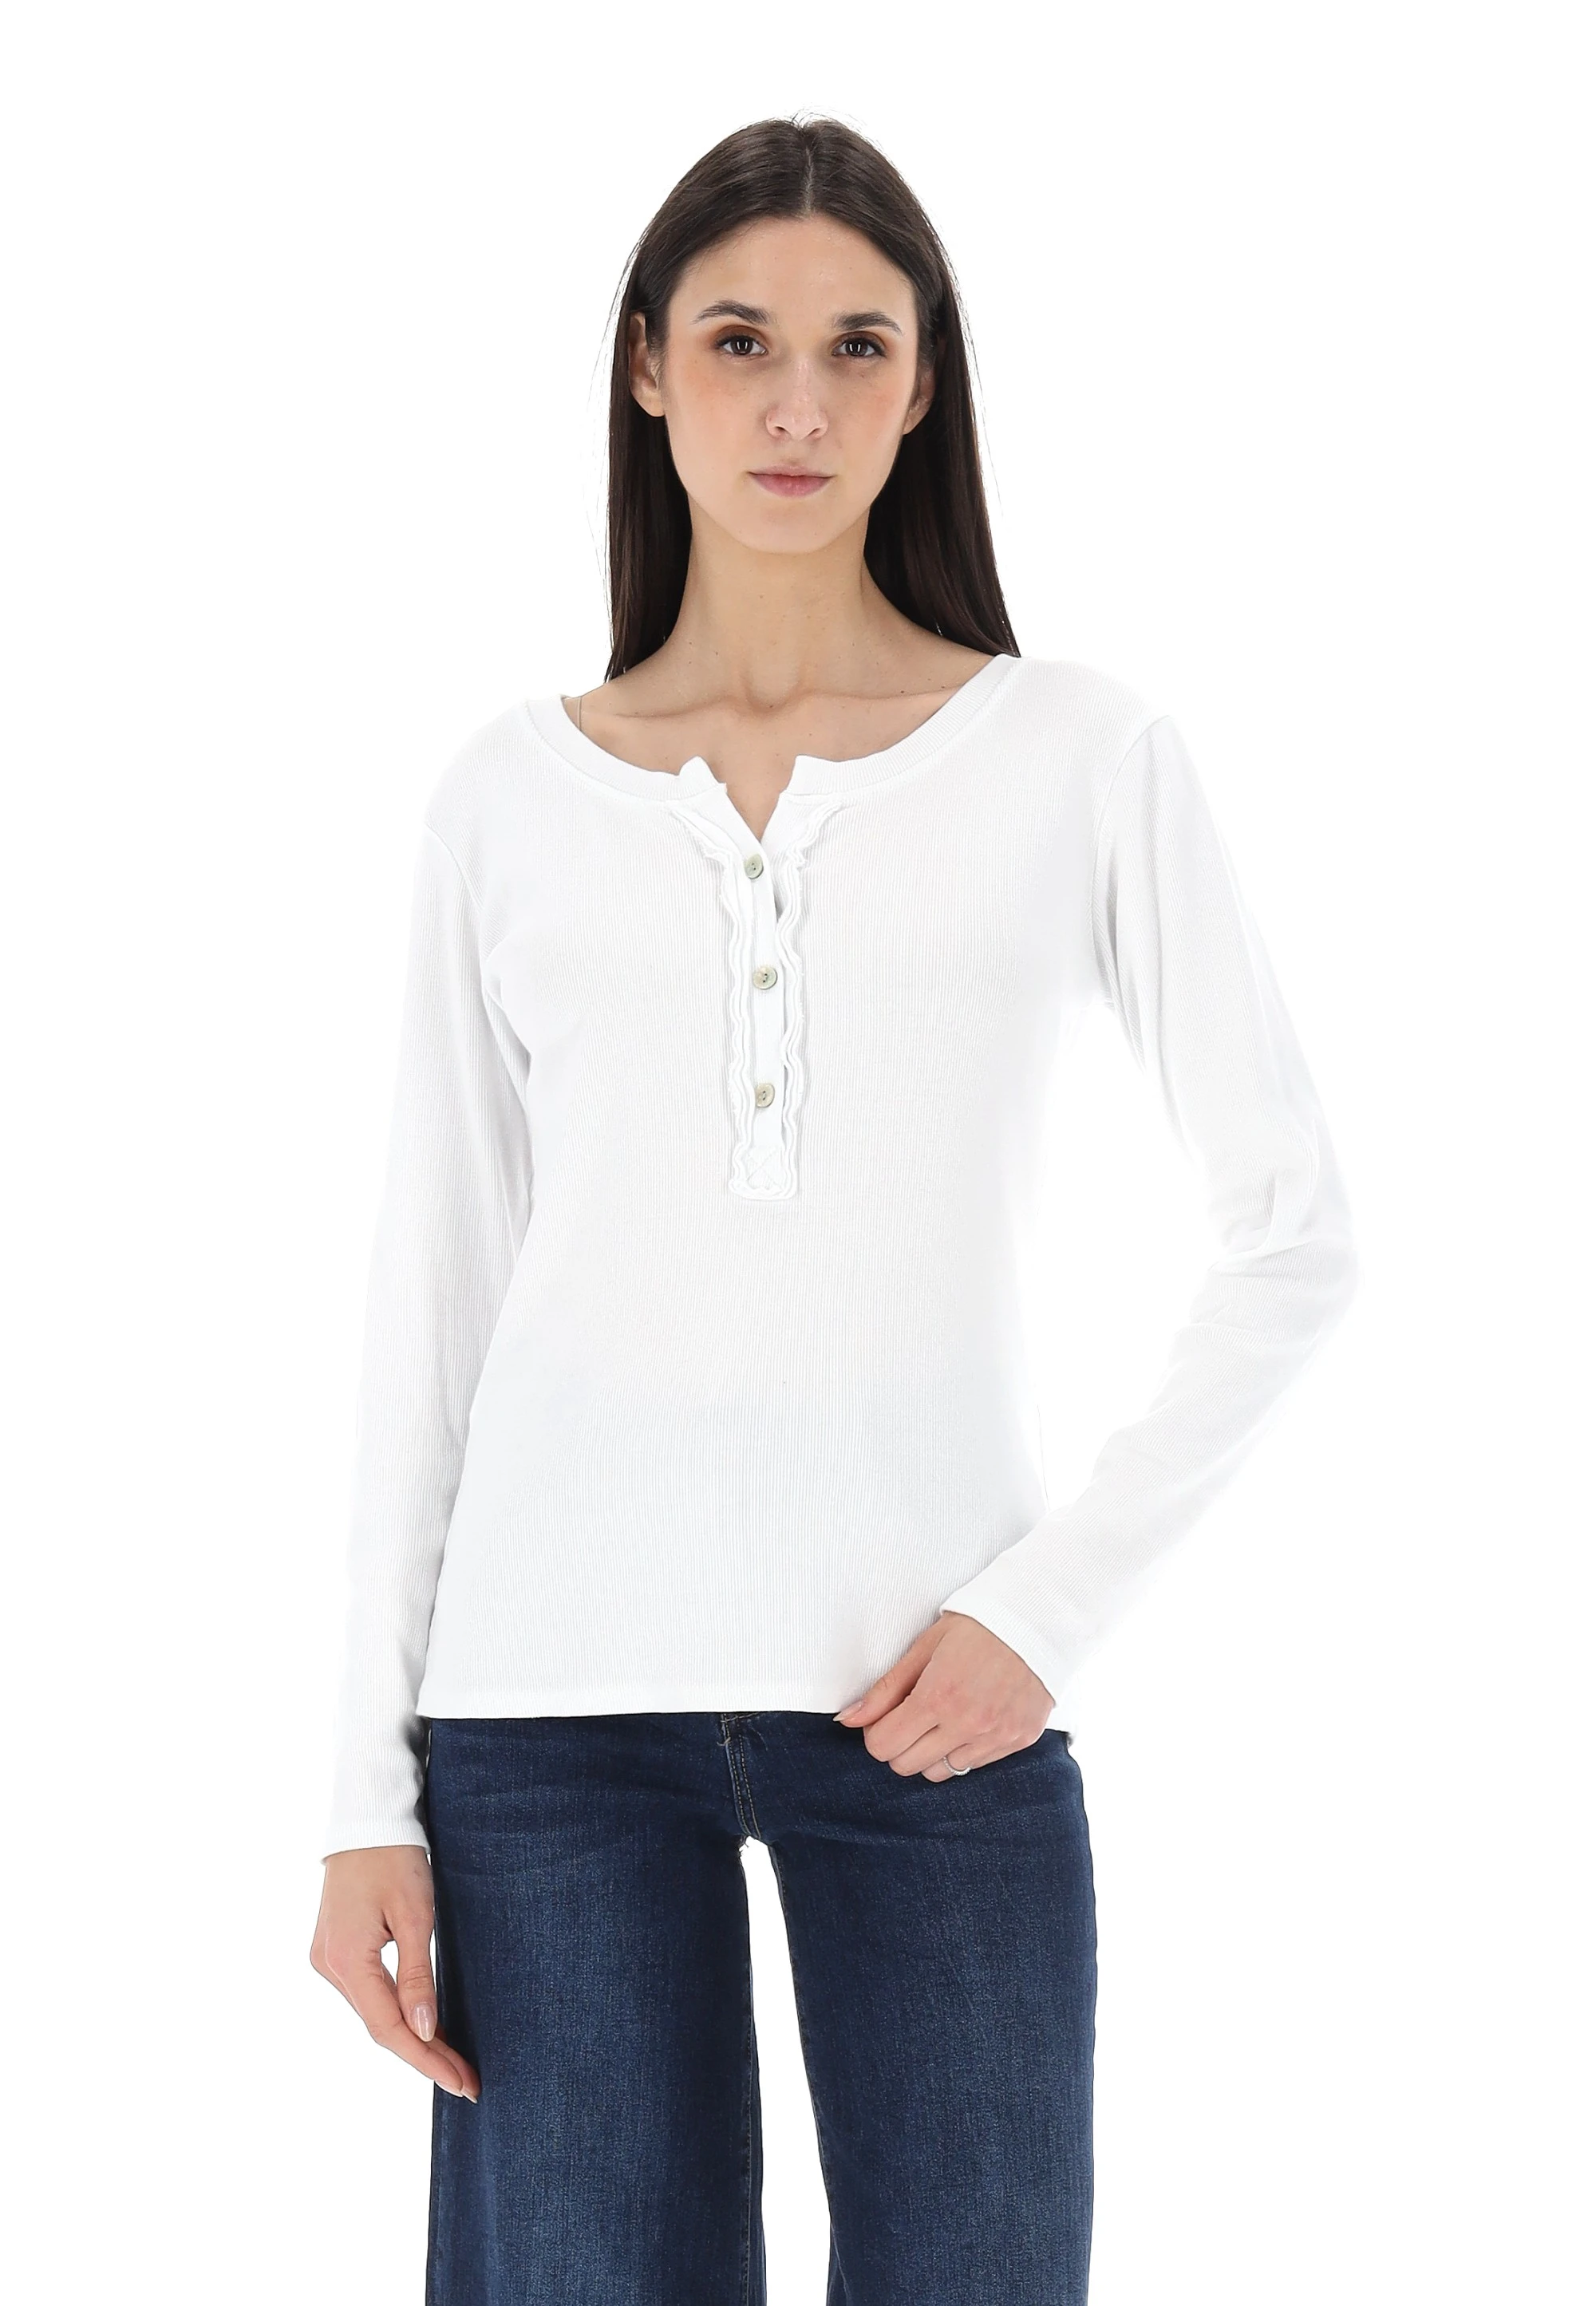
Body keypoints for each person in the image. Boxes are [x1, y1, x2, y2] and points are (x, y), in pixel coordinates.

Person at [309, 113, 1359, 2306]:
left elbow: (1292, 1232)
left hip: (934, 1701)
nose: (796, 403)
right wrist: (357, 1796)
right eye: (740, 341)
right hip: (542, 1724)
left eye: (856, 347)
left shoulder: (1075, 756)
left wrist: (1046, 1613)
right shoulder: (509, 795)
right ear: (646, 368)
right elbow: (433, 1312)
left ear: (923, 383)